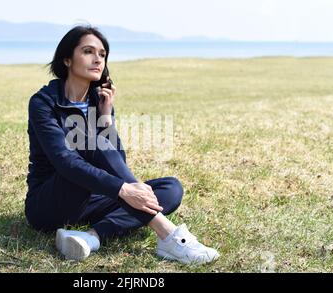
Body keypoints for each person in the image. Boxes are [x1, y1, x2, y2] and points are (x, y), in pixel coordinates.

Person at [25, 25, 219, 265]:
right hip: (51, 203)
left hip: (94, 197)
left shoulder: (99, 100)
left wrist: (106, 118)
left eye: (103, 54)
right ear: (66, 59)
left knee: (170, 188)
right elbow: (65, 162)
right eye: (88, 51)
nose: (98, 59)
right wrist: (125, 190)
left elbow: (117, 160)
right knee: (90, 143)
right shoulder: (43, 102)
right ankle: (168, 234)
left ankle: (91, 237)